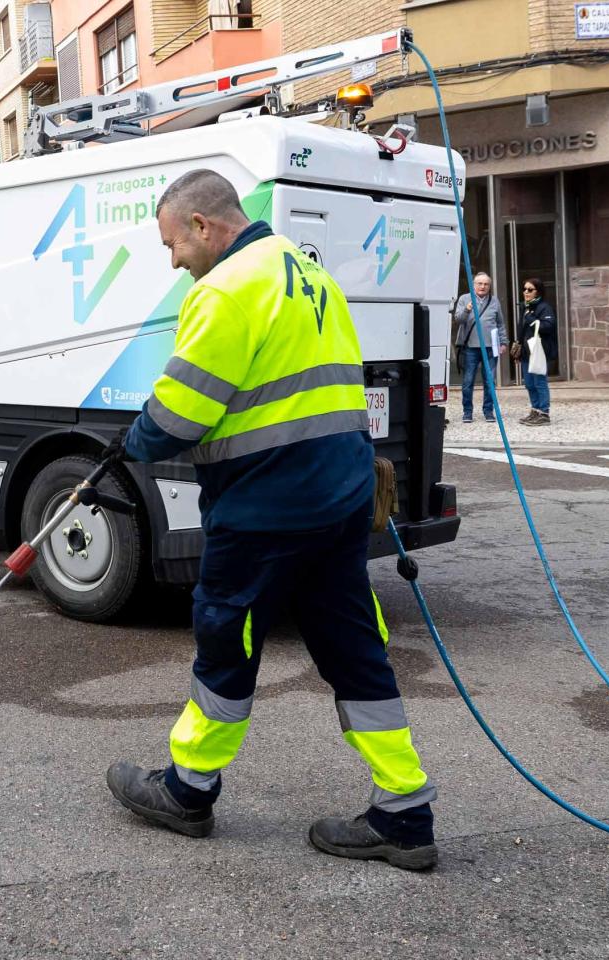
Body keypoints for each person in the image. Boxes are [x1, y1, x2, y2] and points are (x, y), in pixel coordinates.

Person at [102, 170, 438, 871]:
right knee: (353, 650)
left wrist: (130, 442)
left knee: (225, 639)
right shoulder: (307, 274)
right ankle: (405, 813)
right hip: (339, 500)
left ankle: (187, 791)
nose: (173, 262)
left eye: (171, 244)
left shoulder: (224, 289)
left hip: (265, 508)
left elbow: (182, 412)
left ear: (202, 225)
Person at [451, 272, 503, 423]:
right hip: (470, 348)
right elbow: (458, 319)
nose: (483, 286)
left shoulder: (494, 301)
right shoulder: (464, 299)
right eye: (479, 284)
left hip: (490, 347)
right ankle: (467, 412)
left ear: (489, 286)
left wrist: (503, 342)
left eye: (486, 284)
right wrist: (467, 309)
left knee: (490, 381)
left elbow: (500, 324)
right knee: (468, 382)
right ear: (474, 285)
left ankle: (488, 411)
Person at [514, 278, 557, 426]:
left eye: (530, 289)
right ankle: (535, 409)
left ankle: (544, 413)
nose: (526, 292)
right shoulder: (525, 307)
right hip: (526, 351)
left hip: (539, 351)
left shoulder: (544, 308)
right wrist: (518, 347)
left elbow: (548, 326)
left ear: (537, 291)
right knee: (530, 384)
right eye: (524, 289)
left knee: (539, 382)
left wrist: (531, 318)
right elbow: (522, 329)